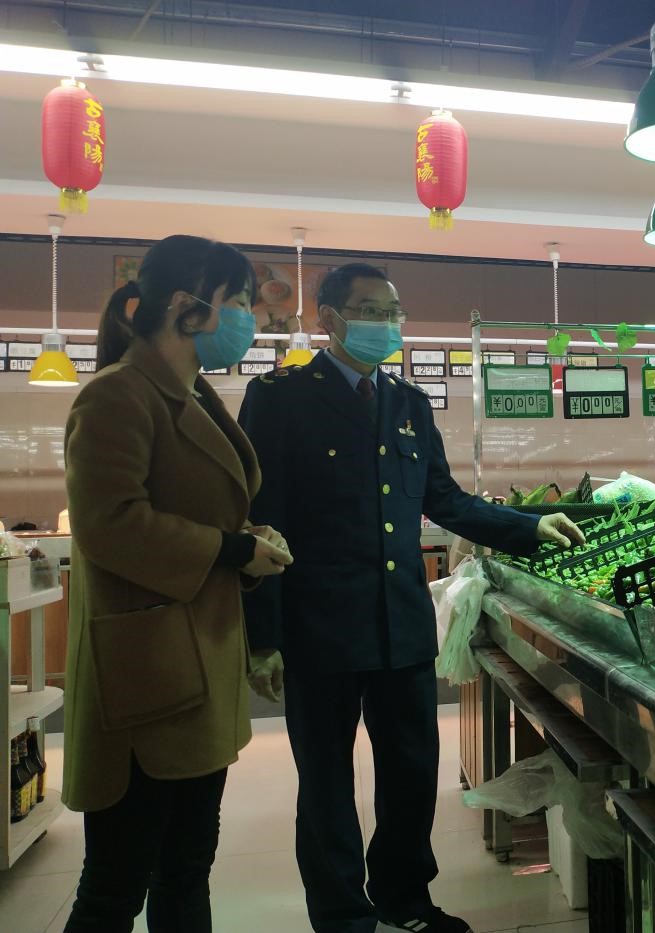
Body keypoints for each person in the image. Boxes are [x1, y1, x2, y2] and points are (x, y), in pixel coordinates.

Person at [239, 263, 584, 933]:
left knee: (411, 771)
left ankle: (405, 899)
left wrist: (527, 527)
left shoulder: (408, 403)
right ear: (329, 319)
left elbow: (444, 500)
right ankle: (342, 914)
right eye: (371, 310)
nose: (387, 324)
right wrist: (264, 636)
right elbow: (261, 519)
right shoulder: (280, 398)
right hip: (319, 627)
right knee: (326, 780)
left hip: (399, 623)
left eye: (394, 312)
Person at [61, 235, 294, 932]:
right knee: (115, 884)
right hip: (145, 677)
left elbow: (202, 505)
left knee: (186, 867)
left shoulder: (192, 394)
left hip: (197, 664)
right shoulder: (117, 394)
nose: (250, 319)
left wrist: (250, 537)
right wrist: (233, 549)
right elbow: (109, 524)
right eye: (239, 302)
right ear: (186, 306)